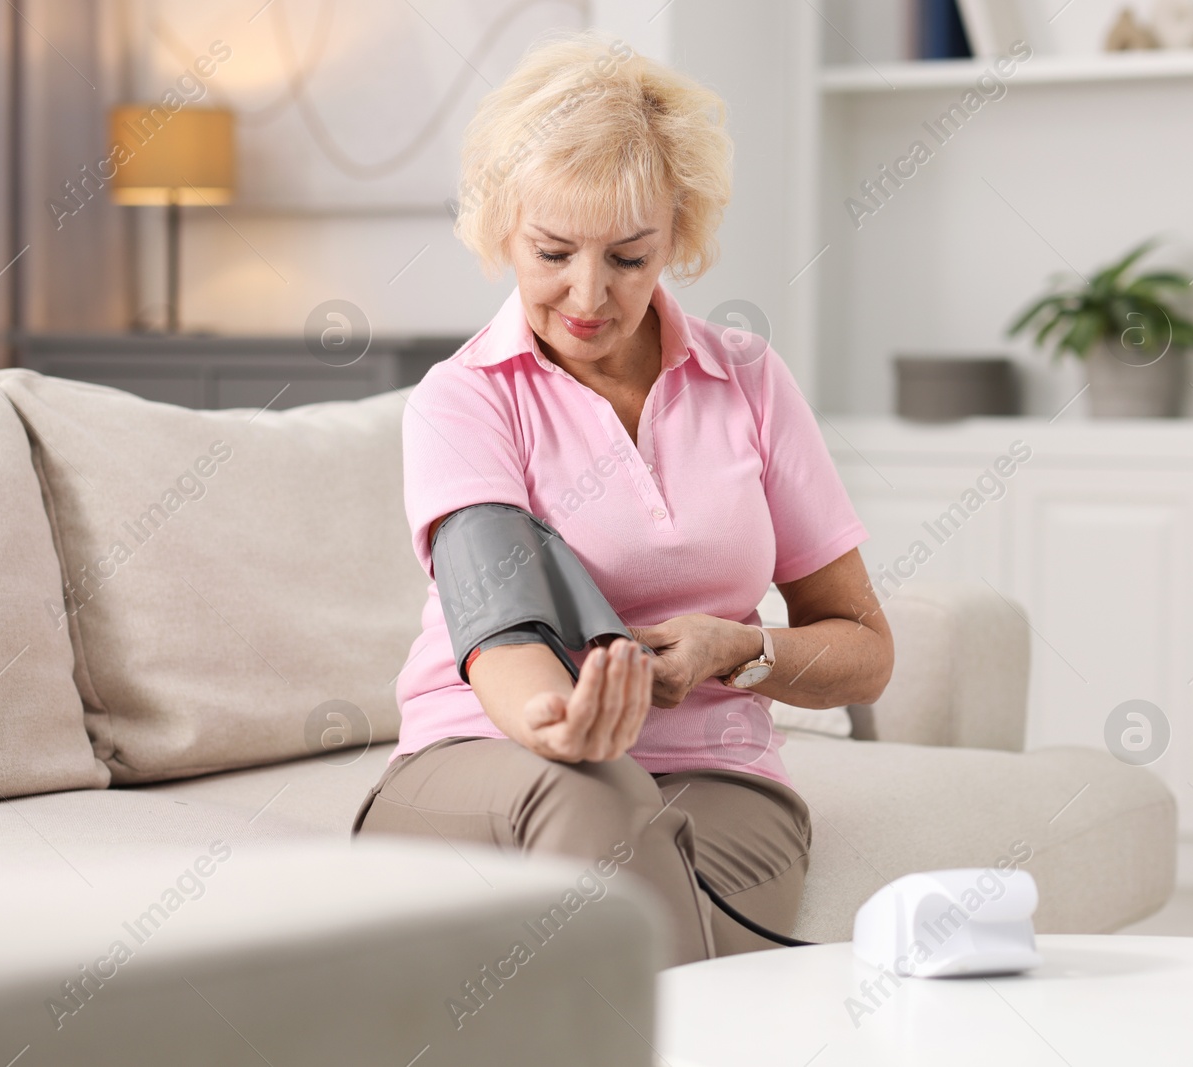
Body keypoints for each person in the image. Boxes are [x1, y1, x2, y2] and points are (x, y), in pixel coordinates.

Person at [352, 31, 894, 966]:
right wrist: (559, 722)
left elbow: (865, 652)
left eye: (630, 257)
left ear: (677, 237)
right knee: (594, 799)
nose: (588, 295)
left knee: (618, 860)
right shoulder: (467, 396)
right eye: (553, 251)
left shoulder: (750, 381)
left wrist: (744, 652)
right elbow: (500, 626)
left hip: (717, 777)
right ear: (501, 228)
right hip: (488, 758)